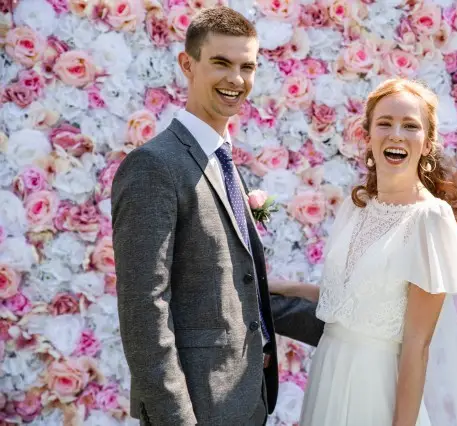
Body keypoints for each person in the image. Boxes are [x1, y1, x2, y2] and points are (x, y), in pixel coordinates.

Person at [111, 7, 323, 426]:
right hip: (196, 408)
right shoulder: (154, 165)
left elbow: (228, 286)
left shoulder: (220, 160)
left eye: (248, 66)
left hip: (248, 401)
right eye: (221, 63)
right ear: (187, 64)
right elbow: (144, 308)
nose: (236, 79)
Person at [269, 78, 457, 426]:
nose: (396, 135)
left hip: (376, 388)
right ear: (368, 137)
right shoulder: (356, 206)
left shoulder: (429, 219)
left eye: (410, 126)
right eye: (385, 123)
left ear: (427, 143)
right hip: (328, 373)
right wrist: (281, 287)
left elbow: (417, 345)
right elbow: (348, 299)